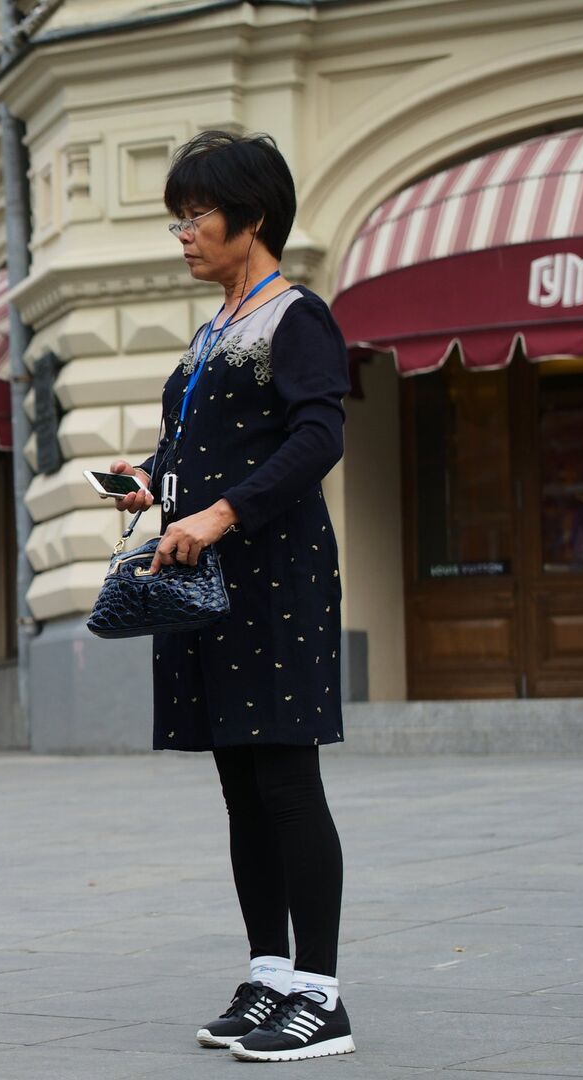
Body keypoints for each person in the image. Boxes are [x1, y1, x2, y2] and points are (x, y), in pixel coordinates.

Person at [105, 130, 353, 1064]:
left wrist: (220, 515)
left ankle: (323, 996)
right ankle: (272, 974)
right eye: (179, 217)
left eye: (197, 215)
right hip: (210, 585)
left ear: (250, 218)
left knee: (287, 781)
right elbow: (201, 452)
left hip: (273, 578)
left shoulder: (297, 317)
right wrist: (152, 480)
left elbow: (317, 437)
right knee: (241, 785)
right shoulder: (214, 330)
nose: (183, 233)